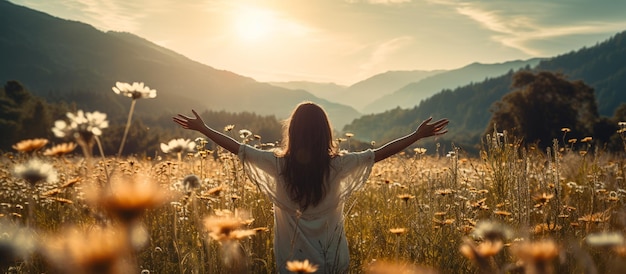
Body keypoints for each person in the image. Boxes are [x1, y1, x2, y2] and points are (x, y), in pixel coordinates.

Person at [173, 102, 448, 273]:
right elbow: (379, 153)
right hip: (333, 262)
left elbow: (239, 149)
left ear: (292, 132)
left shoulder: (277, 165)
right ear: (325, 133)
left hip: (292, 264)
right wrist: (416, 135)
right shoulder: (338, 166)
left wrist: (204, 129)